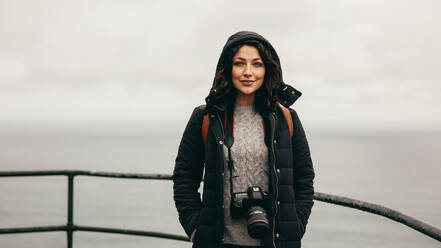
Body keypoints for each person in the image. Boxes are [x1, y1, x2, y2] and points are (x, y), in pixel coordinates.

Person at [173, 31, 315, 248]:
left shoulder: (286, 118)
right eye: (240, 64)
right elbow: (184, 178)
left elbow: (304, 179)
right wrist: (195, 228)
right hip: (218, 242)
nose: (248, 72)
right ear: (227, 68)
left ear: (267, 69)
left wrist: (296, 225)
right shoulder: (206, 118)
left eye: (257, 64)